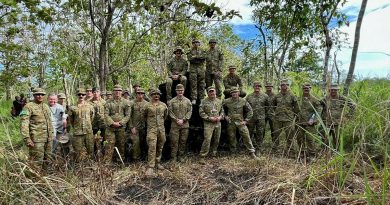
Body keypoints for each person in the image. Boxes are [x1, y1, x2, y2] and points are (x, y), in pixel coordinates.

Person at [20, 88, 54, 173]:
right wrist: (27, 138)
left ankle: (45, 178)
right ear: (34, 95)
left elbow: (49, 121)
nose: (40, 96)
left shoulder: (46, 106)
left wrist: (52, 135)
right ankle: (35, 180)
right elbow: (24, 123)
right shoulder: (28, 106)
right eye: (38, 94)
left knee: (48, 159)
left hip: (48, 138)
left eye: (42, 94)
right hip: (37, 139)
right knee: (36, 162)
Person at [223, 87, 260, 160]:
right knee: (231, 137)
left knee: (246, 136)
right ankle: (233, 152)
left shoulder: (243, 101)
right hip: (231, 122)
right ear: (231, 94)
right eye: (233, 93)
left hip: (241, 122)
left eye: (236, 92)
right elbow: (220, 109)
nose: (234, 94)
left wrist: (246, 120)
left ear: (238, 93)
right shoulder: (226, 101)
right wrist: (225, 116)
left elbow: (250, 111)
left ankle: (252, 152)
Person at [321, 84, 356, 149]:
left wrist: (348, 116)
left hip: (337, 123)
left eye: (335, 90)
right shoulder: (325, 99)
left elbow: (353, 105)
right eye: (332, 90)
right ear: (329, 90)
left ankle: (336, 153)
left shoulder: (342, 99)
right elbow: (318, 106)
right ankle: (324, 152)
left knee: (337, 139)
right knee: (325, 138)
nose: (333, 91)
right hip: (326, 123)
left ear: (338, 90)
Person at [143, 88, 168, 176]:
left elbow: (165, 116)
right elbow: (144, 116)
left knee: (160, 145)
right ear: (151, 95)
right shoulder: (147, 105)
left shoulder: (163, 105)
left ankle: (157, 162)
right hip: (151, 129)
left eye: (158, 94)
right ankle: (151, 166)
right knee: (152, 146)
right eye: (154, 94)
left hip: (161, 129)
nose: (156, 96)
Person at [104, 84, 131, 163]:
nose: (117, 92)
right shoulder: (108, 102)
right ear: (113, 92)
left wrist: (121, 123)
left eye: (119, 90)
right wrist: (112, 123)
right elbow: (106, 114)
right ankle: (107, 163)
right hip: (110, 128)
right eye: (115, 90)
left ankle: (120, 161)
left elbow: (128, 115)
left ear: (121, 92)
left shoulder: (126, 102)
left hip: (121, 128)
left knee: (121, 145)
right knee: (109, 145)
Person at [272, 79, 300, 153]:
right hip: (278, 118)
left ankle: (290, 151)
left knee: (290, 135)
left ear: (288, 86)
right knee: (276, 134)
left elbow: (297, 108)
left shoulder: (292, 95)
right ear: (280, 86)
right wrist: (276, 113)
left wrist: (293, 115)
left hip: (288, 119)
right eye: (282, 85)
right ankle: (275, 149)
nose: (284, 86)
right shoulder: (277, 96)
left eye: (286, 85)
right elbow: (273, 105)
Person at [68, 88, 95, 162]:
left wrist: (88, 125)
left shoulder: (90, 106)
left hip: (88, 131)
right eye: (79, 94)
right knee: (77, 152)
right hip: (78, 132)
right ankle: (78, 167)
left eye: (83, 94)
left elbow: (92, 117)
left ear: (85, 95)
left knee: (90, 150)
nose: (81, 96)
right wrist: (77, 127)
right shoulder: (72, 107)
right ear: (77, 95)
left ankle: (91, 165)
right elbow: (71, 120)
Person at [167, 84, 192, 162]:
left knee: (183, 141)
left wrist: (183, 120)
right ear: (176, 91)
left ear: (183, 91)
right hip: (175, 125)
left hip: (185, 125)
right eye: (178, 90)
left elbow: (190, 111)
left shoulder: (188, 101)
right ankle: (173, 157)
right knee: (174, 141)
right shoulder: (171, 101)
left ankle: (180, 156)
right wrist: (176, 120)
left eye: (181, 90)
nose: (180, 92)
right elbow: (170, 112)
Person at [199, 86, 224, 162]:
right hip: (208, 123)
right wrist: (209, 118)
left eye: (213, 91)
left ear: (215, 92)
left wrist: (220, 117)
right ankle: (202, 156)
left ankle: (214, 153)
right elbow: (201, 112)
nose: (212, 93)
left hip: (217, 122)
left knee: (217, 139)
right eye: (210, 91)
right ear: (207, 93)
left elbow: (222, 111)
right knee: (207, 139)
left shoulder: (219, 101)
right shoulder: (203, 101)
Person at [296, 84, 322, 157]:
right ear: (302, 89)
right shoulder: (299, 99)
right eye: (304, 88)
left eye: (308, 88)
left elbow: (318, 110)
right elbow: (295, 109)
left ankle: (312, 155)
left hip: (310, 123)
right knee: (299, 138)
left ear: (310, 89)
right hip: (300, 122)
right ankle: (302, 153)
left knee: (310, 139)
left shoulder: (314, 99)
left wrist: (312, 119)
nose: (306, 89)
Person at [245, 82, 269, 152]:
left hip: (261, 118)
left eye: (259, 86)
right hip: (251, 118)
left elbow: (267, 107)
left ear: (260, 87)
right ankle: (249, 147)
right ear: (253, 87)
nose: (257, 87)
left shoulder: (265, 96)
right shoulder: (249, 96)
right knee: (249, 132)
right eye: (256, 86)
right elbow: (246, 107)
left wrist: (264, 115)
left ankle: (259, 148)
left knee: (260, 133)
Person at [127, 88, 148, 161]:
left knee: (144, 142)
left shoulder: (147, 103)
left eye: (142, 93)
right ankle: (136, 159)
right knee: (136, 143)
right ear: (136, 94)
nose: (140, 95)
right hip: (135, 127)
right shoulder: (131, 103)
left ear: (144, 95)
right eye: (138, 93)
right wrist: (131, 127)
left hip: (144, 127)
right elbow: (128, 116)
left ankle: (144, 156)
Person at [187, 39, 206, 104]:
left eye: (197, 42)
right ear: (192, 44)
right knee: (193, 84)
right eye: (194, 42)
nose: (195, 43)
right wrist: (198, 58)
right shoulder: (189, 51)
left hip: (201, 70)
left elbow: (204, 58)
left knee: (202, 84)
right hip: (193, 70)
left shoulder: (202, 50)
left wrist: (195, 57)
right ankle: (194, 98)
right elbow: (190, 59)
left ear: (199, 43)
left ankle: (202, 98)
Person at [90, 87, 106, 159]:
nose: (96, 93)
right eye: (94, 92)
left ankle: (104, 154)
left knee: (104, 140)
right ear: (92, 93)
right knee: (93, 141)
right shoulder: (88, 103)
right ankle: (95, 156)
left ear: (100, 93)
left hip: (103, 124)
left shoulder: (104, 102)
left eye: (97, 92)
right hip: (93, 125)